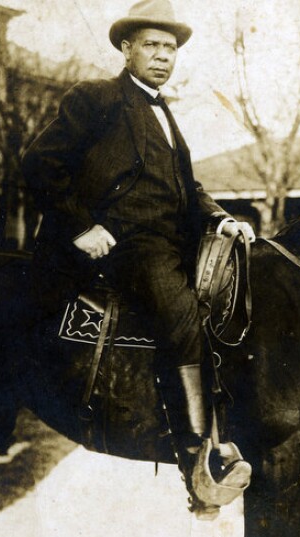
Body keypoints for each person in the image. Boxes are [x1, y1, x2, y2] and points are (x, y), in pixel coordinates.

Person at [20, 0, 254, 508]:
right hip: (125, 243)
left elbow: (186, 189)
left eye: (170, 48)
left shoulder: (167, 112)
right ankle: (197, 458)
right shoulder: (97, 99)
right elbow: (39, 162)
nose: (163, 56)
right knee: (180, 308)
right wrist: (81, 227)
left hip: (173, 238)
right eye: (152, 44)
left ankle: (235, 423)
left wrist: (220, 218)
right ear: (127, 49)